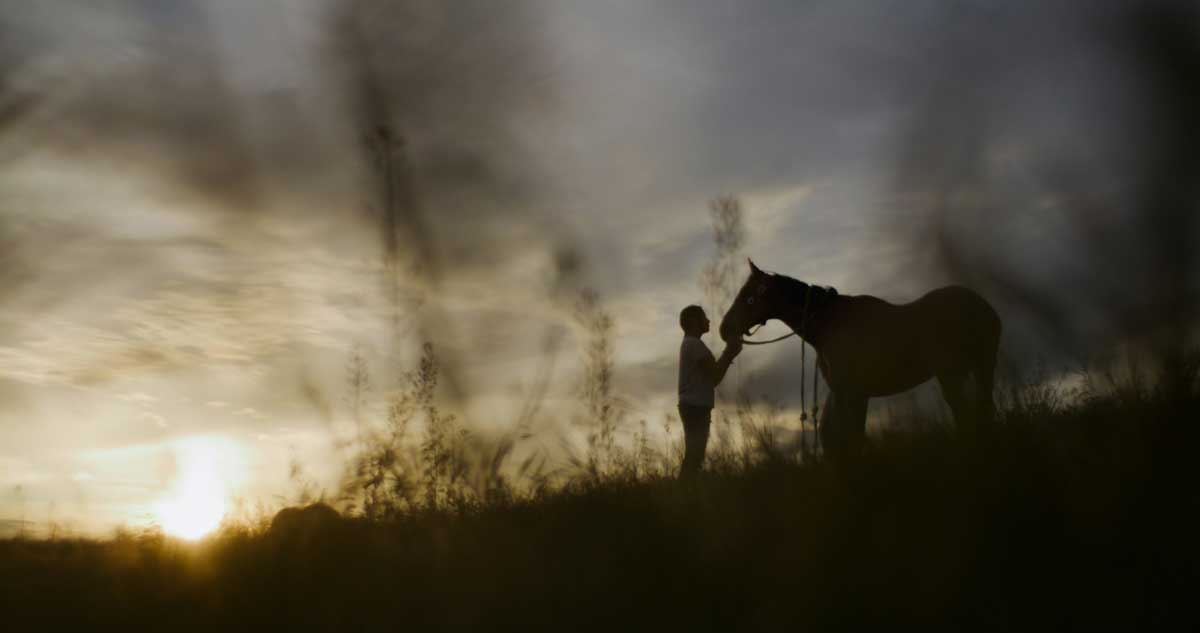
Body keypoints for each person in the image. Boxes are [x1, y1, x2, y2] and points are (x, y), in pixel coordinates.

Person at [677, 305, 742, 478]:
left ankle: (686, 491)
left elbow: (713, 379)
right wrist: (730, 352)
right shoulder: (694, 345)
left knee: (695, 455)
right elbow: (715, 375)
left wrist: (730, 353)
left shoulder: (690, 344)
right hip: (695, 407)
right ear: (693, 321)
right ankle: (685, 491)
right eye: (703, 317)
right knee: (694, 456)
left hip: (694, 405)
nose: (708, 321)